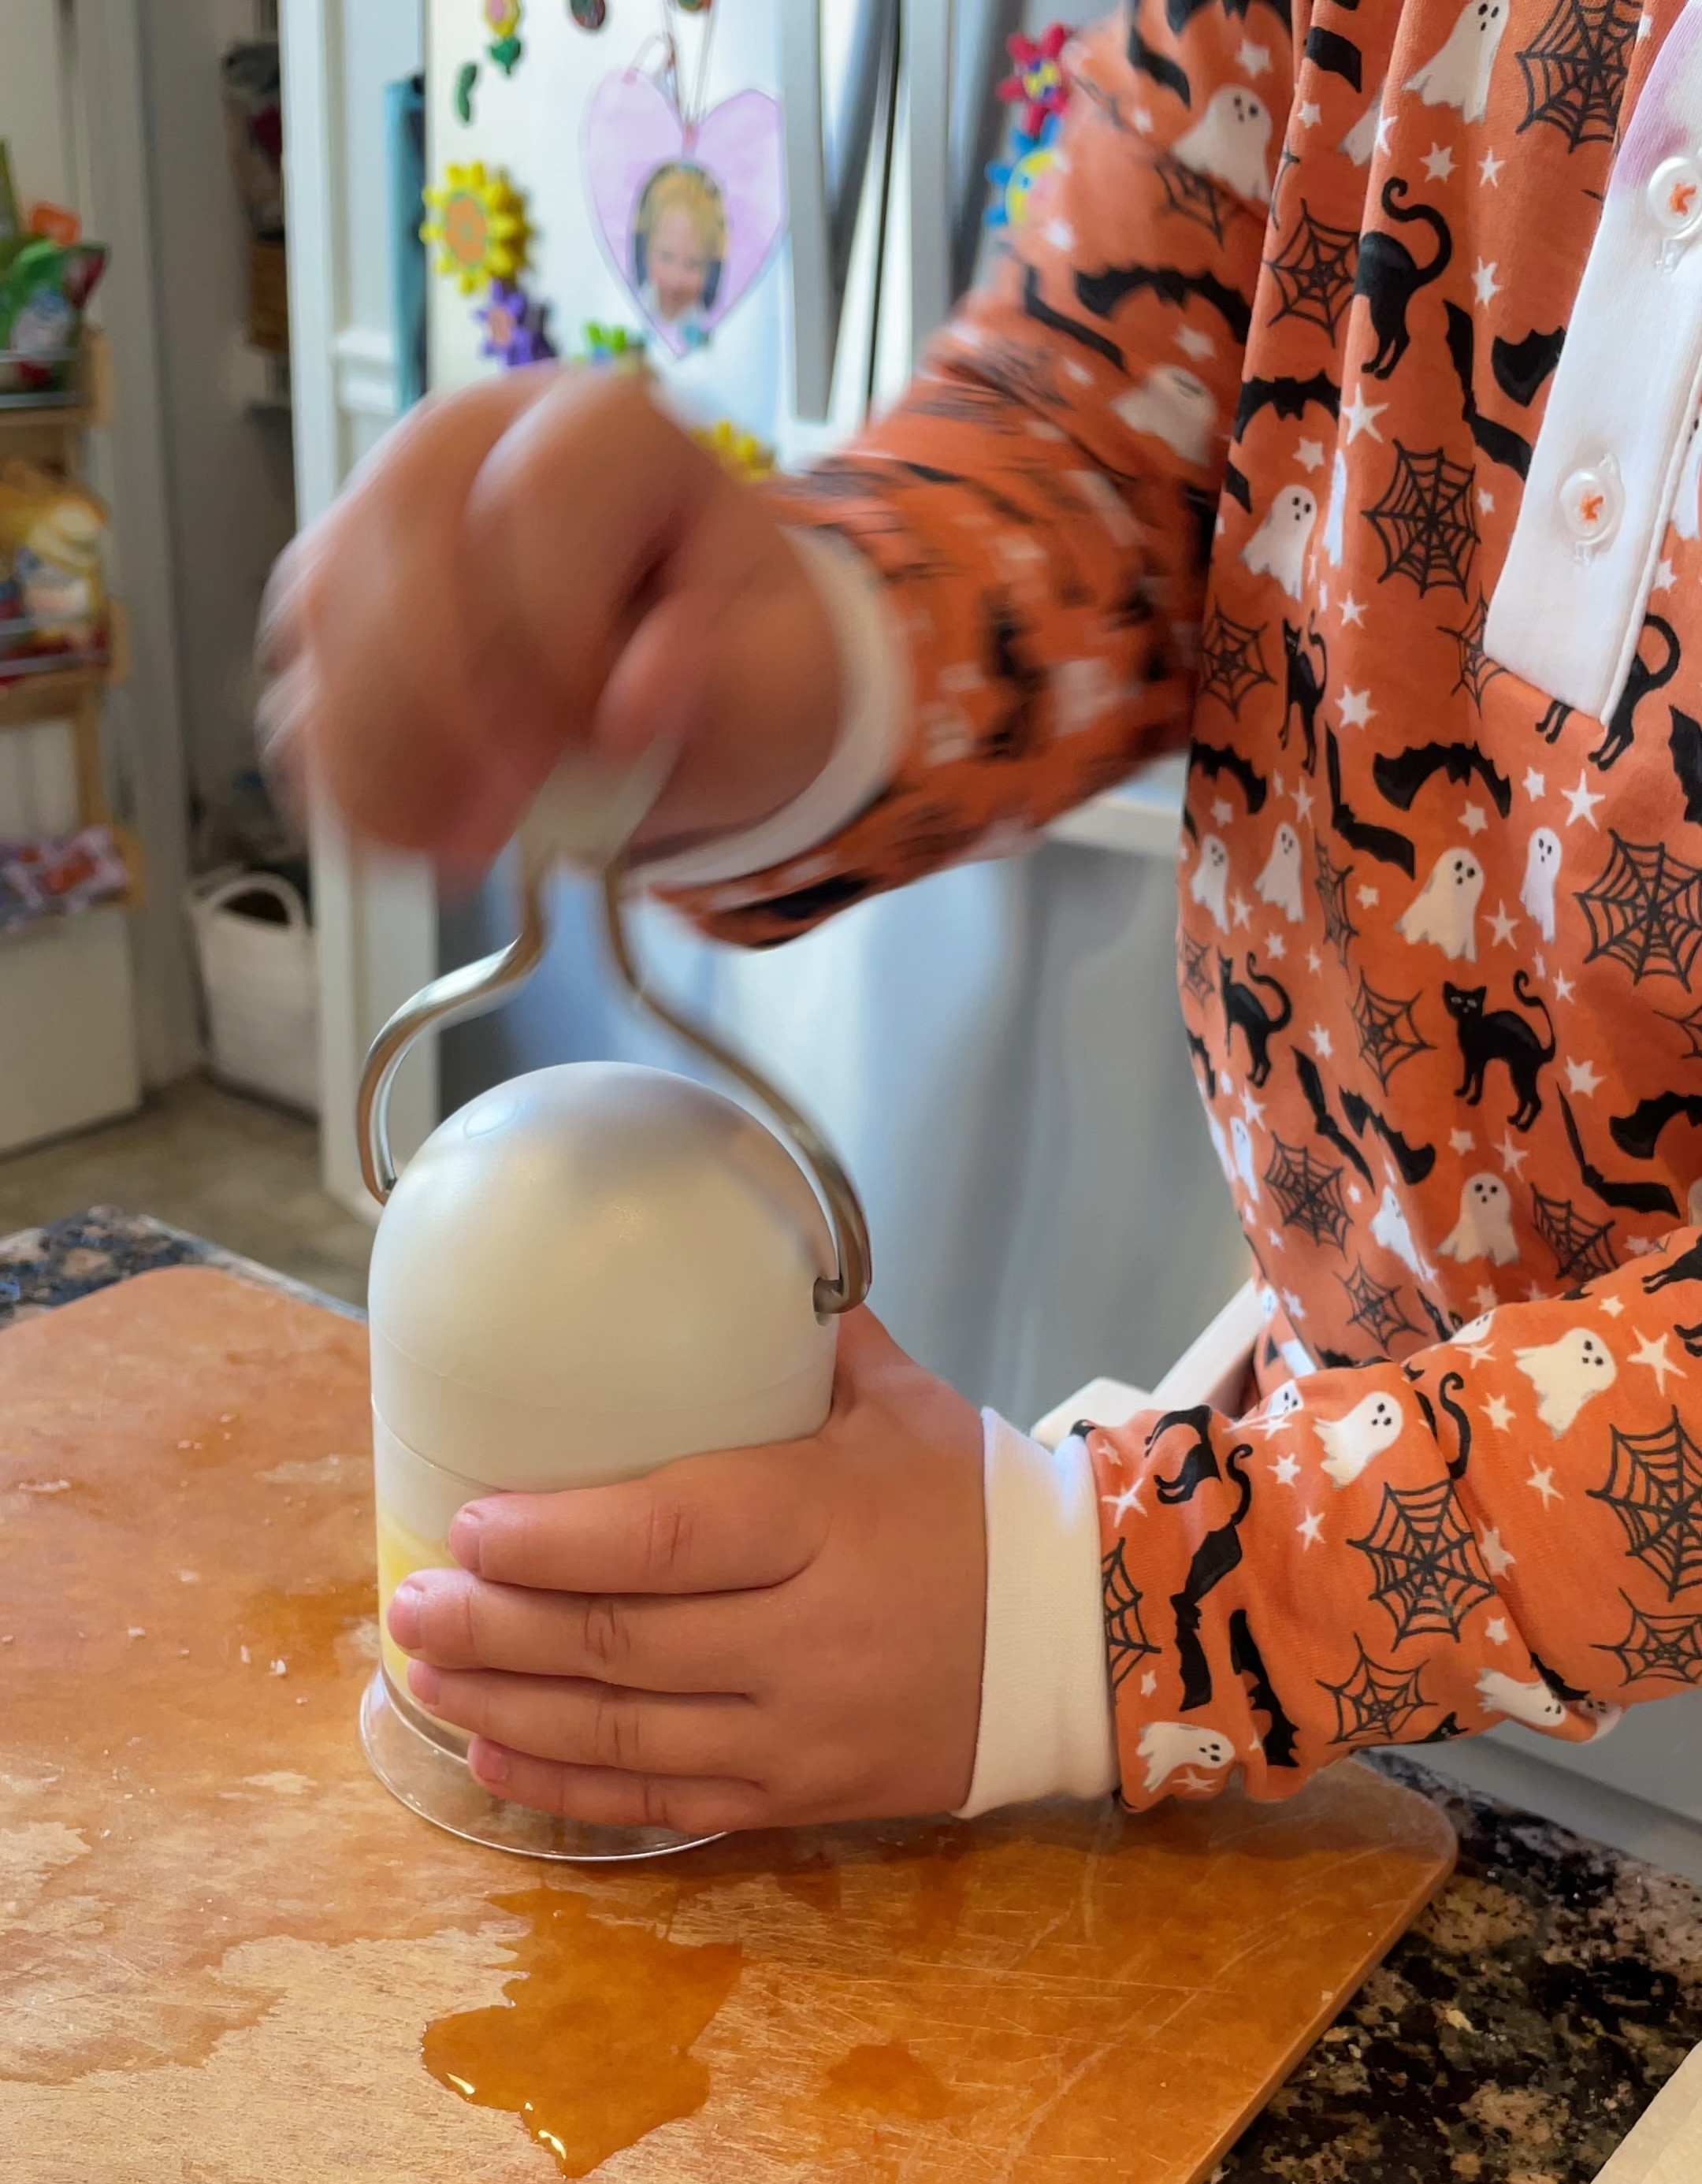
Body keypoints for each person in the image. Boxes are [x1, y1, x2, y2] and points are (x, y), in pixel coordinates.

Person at [259, 2, 1702, 1844]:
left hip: (1282, 1589)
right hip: (1320, 1544)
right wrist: (798, 660)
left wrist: (1123, 1612)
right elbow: (1114, 416)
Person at [632, 162, 724, 338]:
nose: (677, 279)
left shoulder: (709, 320)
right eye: (666, 257)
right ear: (646, 250)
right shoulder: (633, 305)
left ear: (711, 268)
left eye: (693, 265)